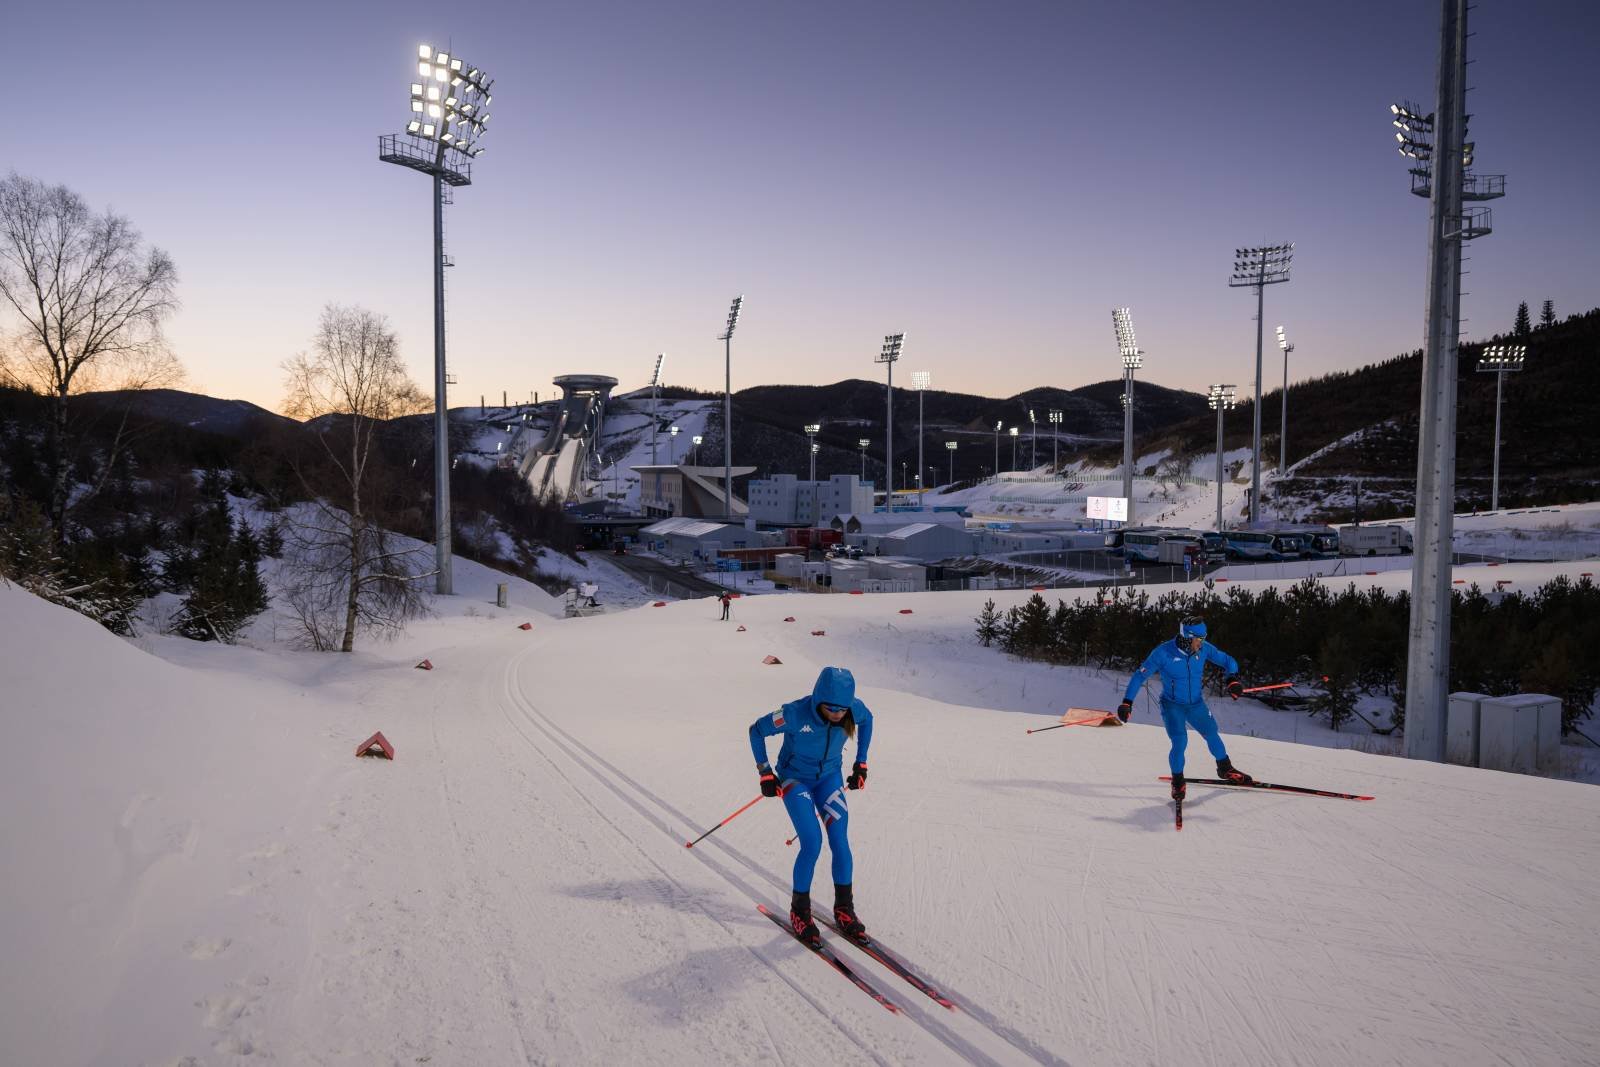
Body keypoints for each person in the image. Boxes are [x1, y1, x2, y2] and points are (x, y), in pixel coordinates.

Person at [748, 666, 874, 947]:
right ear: (818, 699)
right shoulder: (794, 713)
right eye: (831, 708)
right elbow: (756, 731)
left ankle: (844, 909)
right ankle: (800, 912)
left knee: (840, 842)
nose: (838, 714)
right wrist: (765, 772)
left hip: (830, 778)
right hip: (796, 780)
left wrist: (861, 762)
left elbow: (868, 720)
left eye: (842, 709)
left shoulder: (853, 709)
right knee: (812, 842)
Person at [1118, 615, 1251, 801]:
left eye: (1204, 638)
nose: (1203, 642)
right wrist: (1127, 702)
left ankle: (1225, 767)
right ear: (1188, 637)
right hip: (1173, 706)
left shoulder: (1203, 649)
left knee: (1212, 733)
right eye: (1200, 638)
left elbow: (1228, 660)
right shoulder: (1163, 653)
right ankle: (1178, 781)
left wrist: (1232, 679)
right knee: (1180, 741)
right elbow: (1139, 676)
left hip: (1195, 704)